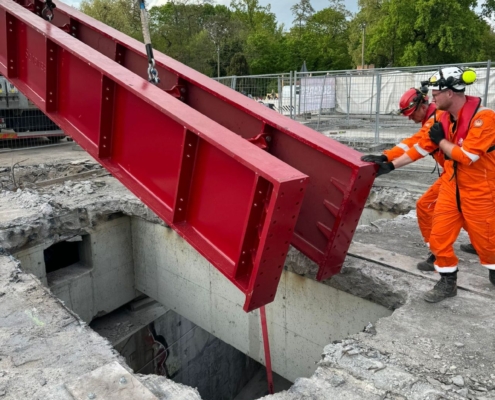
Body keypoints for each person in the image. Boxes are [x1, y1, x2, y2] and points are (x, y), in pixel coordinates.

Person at [372, 66, 495, 302]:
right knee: (439, 238)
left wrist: (441, 141)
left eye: (436, 94)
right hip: (451, 183)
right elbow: (421, 145)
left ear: (450, 93)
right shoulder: (442, 117)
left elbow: (467, 156)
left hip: (481, 189)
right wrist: (390, 162)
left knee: (488, 242)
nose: (432, 98)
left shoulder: (484, 118)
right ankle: (447, 282)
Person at [361, 87, 475, 271]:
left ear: (422, 106)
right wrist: (386, 156)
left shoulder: (436, 120)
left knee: (427, 206)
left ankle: (439, 253)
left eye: (411, 114)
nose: (410, 118)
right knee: (468, 210)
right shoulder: (434, 118)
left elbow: (418, 146)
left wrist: (389, 163)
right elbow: (413, 142)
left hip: (461, 173)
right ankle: (479, 244)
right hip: (458, 171)